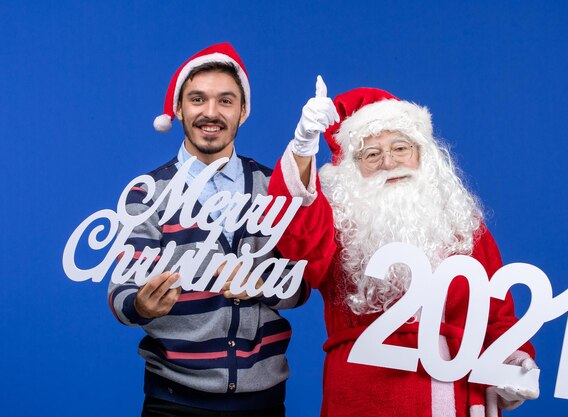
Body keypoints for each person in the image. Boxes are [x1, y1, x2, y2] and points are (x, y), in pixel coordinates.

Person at [268, 79, 539, 417]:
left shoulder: (460, 224)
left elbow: (496, 313)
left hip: (456, 394)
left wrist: (513, 365)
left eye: (401, 148)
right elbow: (297, 240)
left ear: (422, 154)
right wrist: (303, 146)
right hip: (366, 395)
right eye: (371, 154)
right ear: (351, 169)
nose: (388, 161)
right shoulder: (338, 223)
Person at [108, 42, 309, 417]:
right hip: (174, 400)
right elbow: (120, 294)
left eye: (226, 101)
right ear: (179, 109)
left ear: (243, 111)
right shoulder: (148, 192)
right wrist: (141, 305)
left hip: (264, 399)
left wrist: (266, 282)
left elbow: (302, 288)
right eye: (197, 99)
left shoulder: (274, 187)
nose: (211, 113)